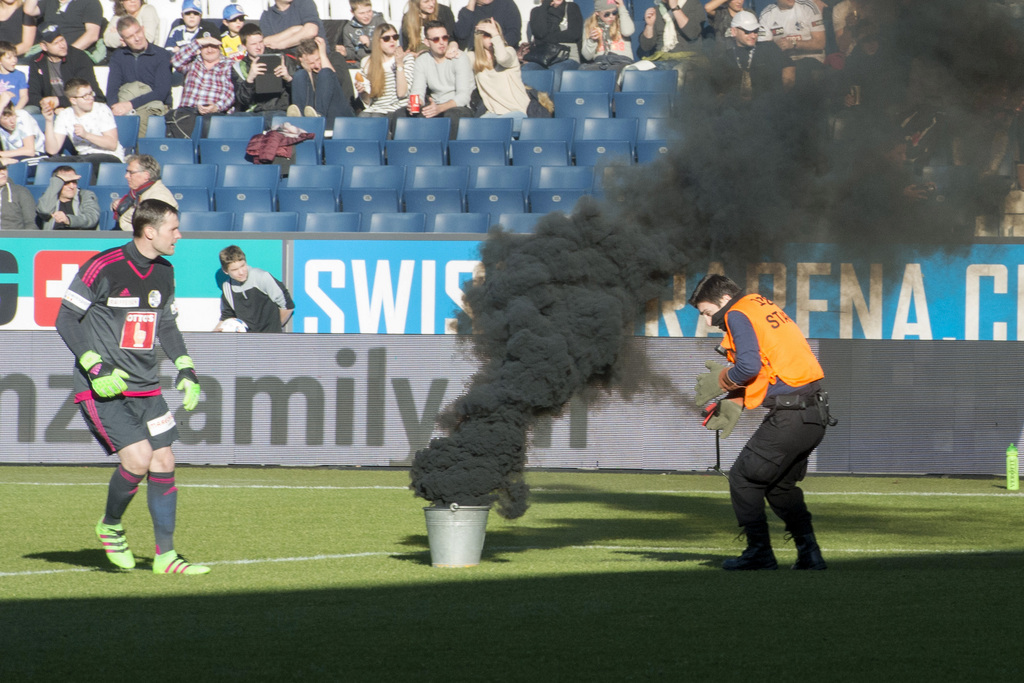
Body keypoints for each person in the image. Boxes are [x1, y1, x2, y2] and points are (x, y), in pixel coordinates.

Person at [55, 198, 210, 575]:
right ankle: (110, 524)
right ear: (149, 231)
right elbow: (65, 318)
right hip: (103, 387)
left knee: (164, 461)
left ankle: (166, 557)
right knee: (138, 460)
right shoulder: (104, 265)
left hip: (147, 387)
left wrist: (187, 369)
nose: (179, 235)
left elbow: (167, 325)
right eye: (173, 228)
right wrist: (95, 366)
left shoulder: (165, 271)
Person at [689, 274, 833, 571]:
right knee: (779, 487)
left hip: (791, 416)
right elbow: (771, 368)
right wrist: (736, 400)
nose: (706, 321)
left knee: (744, 478)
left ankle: (759, 553)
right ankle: (810, 554)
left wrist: (721, 381)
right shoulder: (759, 304)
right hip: (814, 416)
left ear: (724, 301)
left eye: (706, 312)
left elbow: (749, 367)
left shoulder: (738, 313)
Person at [43, 77, 126, 178]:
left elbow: (112, 144)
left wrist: (86, 135)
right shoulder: (65, 115)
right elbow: (52, 150)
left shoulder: (101, 109)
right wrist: (49, 121)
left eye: (91, 93)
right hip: (83, 157)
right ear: (73, 100)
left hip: (110, 157)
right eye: (85, 96)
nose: (90, 98)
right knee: (47, 163)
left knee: (81, 164)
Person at [106, 16, 173, 136]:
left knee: (141, 117)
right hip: (126, 102)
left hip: (153, 104)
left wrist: (130, 105)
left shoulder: (161, 55)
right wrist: (116, 107)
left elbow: (161, 92)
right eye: (130, 37)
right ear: (123, 40)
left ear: (143, 29)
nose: (137, 38)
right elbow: (112, 89)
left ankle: (141, 153)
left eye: (138, 32)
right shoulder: (118, 57)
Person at [708, 10, 793, 101]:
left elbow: (789, 67)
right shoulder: (725, 57)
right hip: (738, 110)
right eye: (747, 31)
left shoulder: (768, 48)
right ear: (734, 31)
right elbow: (718, 91)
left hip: (769, 106)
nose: (753, 36)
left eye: (755, 31)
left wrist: (781, 97)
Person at [409, 21, 475, 137]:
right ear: (427, 42)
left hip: (459, 107)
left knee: (451, 116)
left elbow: (463, 96)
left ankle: (449, 153)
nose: (441, 42)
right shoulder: (422, 60)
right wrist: (416, 103)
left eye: (444, 38)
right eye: (436, 39)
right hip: (436, 104)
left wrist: (440, 108)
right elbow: (418, 91)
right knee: (404, 114)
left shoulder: (459, 58)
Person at [27, 26, 105, 114]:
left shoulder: (79, 57)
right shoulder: (37, 61)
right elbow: (33, 93)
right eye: (56, 43)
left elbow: (88, 93)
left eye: (62, 40)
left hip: (77, 105)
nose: (62, 45)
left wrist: (59, 102)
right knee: (29, 111)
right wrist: (48, 105)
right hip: (49, 108)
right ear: (44, 46)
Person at [471, 18, 530, 133]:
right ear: (479, 37)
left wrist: (495, 35)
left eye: (494, 33)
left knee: (495, 128)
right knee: (476, 128)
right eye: (487, 35)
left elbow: (502, 58)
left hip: (518, 112)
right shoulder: (474, 58)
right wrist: (452, 45)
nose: (492, 39)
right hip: (494, 114)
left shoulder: (509, 52)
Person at [233, 23, 298, 126]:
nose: (259, 47)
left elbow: (299, 92)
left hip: (278, 110)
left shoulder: (281, 58)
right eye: (253, 44)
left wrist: (288, 78)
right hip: (254, 113)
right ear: (244, 46)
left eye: (261, 42)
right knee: (232, 120)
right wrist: (250, 79)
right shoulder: (240, 67)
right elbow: (242, 100)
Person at [218, 244, 294, 333]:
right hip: (247, 342)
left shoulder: (262, 277)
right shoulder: (227, 287)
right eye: (235, 270)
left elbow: (288, 306)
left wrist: (274, 329)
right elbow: (227, 318)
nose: (241, 272)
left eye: (243, 266)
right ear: (226, 271)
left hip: (270, 339)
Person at [757, 0, 826, 88]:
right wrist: (775, 47)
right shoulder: (767, 13)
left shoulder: (808, 7)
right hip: (784, 60)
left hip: (811, 57)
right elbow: (763, 48)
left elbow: (820, 43)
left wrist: (794, 43)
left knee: (793, 73)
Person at [356, 23, 414, 127]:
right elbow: (368, 101)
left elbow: (402, 93)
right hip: (375, 108)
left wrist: (399, 64)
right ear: (378, 41)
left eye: (395, 37)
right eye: (387, 38)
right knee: (362, 116)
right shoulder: (367, 62)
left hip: (396, 109)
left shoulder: (406, 59)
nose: (392, 41)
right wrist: (362, 92)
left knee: (376, 118)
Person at [287, 37, 355, 124]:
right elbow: (311, 95)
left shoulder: (335, 57)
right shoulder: (307, 71)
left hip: (340, 111)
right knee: (299, 74)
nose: (317, 65)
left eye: (318, 59)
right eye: (311, 63)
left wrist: (323, 55)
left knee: (325, 73)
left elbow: (337, 79)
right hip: (314, 112)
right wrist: (308, 72)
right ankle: (301, 118)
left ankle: (319, 116)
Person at [170, 31, 236, 115]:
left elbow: (232, 93)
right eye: (205, 46)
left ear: (219, 46)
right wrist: (197, 42)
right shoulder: (192, 62)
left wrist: (217, 107)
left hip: (217, 113)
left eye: (213, 46)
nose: (209, 50)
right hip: (188, 112)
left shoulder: (230, 65)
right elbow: (175, 61)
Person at [23, 0, 105, 62]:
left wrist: (66, 53)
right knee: (23, 64)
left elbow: (92, 35)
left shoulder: (90, 2)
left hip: (75, 55)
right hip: (49, 53)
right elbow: (29, 10)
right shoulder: (49, 1)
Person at [113, 153, 177, 231]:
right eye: (127, 172)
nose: (126, 176)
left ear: (146, 175)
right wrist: (117, 204)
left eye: (131, 172)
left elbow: (151, 228)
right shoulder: (138, 193)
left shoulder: (159, 197)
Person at [524, 0, 583, 75]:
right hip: (542, 58)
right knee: (527, 69)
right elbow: (539, 33)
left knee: (555, 71)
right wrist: (545, 5)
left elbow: (574, 34)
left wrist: (545, 38)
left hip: (567, 57)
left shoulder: (571, 7)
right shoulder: (537, 11)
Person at [36, 164, 99, 229]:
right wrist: (58, 180)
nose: (72, 186)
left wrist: (68, 220)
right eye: (66, 182)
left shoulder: (85, 195)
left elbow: (91, 218)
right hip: (53, 238)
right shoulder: (49, 197)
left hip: (79, 238)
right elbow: (44, 211)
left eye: (74, 182)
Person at [580, 0, 634, 71]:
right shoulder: (589, 25)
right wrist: (591, 40)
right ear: (597, 13)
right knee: (583, 70)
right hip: (601, 62)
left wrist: (622, 7)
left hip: (622, 60)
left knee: (612, 71)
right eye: (607, 14)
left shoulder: (621, 20)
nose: (611, 16)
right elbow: (587, 56)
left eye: (614, 13)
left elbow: (628, 32)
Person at [454, 0, 521, 51]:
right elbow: (461, 35)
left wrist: (497, 47)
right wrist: (471, 5)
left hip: (502, 54)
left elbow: (514, 34)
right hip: (477, 58)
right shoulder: (467, 12)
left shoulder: (506, 4)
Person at [260, 0, 326, 51]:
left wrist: (281, 45)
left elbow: (311, 31)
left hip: (313, 60)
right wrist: (293, 30)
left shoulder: (304, 3)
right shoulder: (267, 15)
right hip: (286, 62)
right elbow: (266, 42)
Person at [339, 0, 386, 65]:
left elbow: (388, 43)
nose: (366, 16)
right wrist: (345, 52)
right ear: (352, 12)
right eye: (361, 13)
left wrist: (370, 43)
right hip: (361, 63)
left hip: (381, 61)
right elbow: (352, 52)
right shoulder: (348, 28)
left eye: (369, 11)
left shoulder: (379, 22)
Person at [1, 96, 46, 160]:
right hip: (10, 157)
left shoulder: (22, 116)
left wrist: (2, 154)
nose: (12, 121)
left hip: (35, 156)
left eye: (13, 115)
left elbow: (29, 151)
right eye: (6, 118)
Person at [0, 160, 36, 229]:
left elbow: (31, 223)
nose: (2, 172)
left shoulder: (21, 192)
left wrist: (24, 239)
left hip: (13, 238)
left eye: (4, 169)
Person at [0, 42, 28, 111]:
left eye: (15, 56)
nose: (14, 60)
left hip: (15, 109)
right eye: (9, 58)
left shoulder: (19, 75)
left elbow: (24, 97)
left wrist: (16, 110)